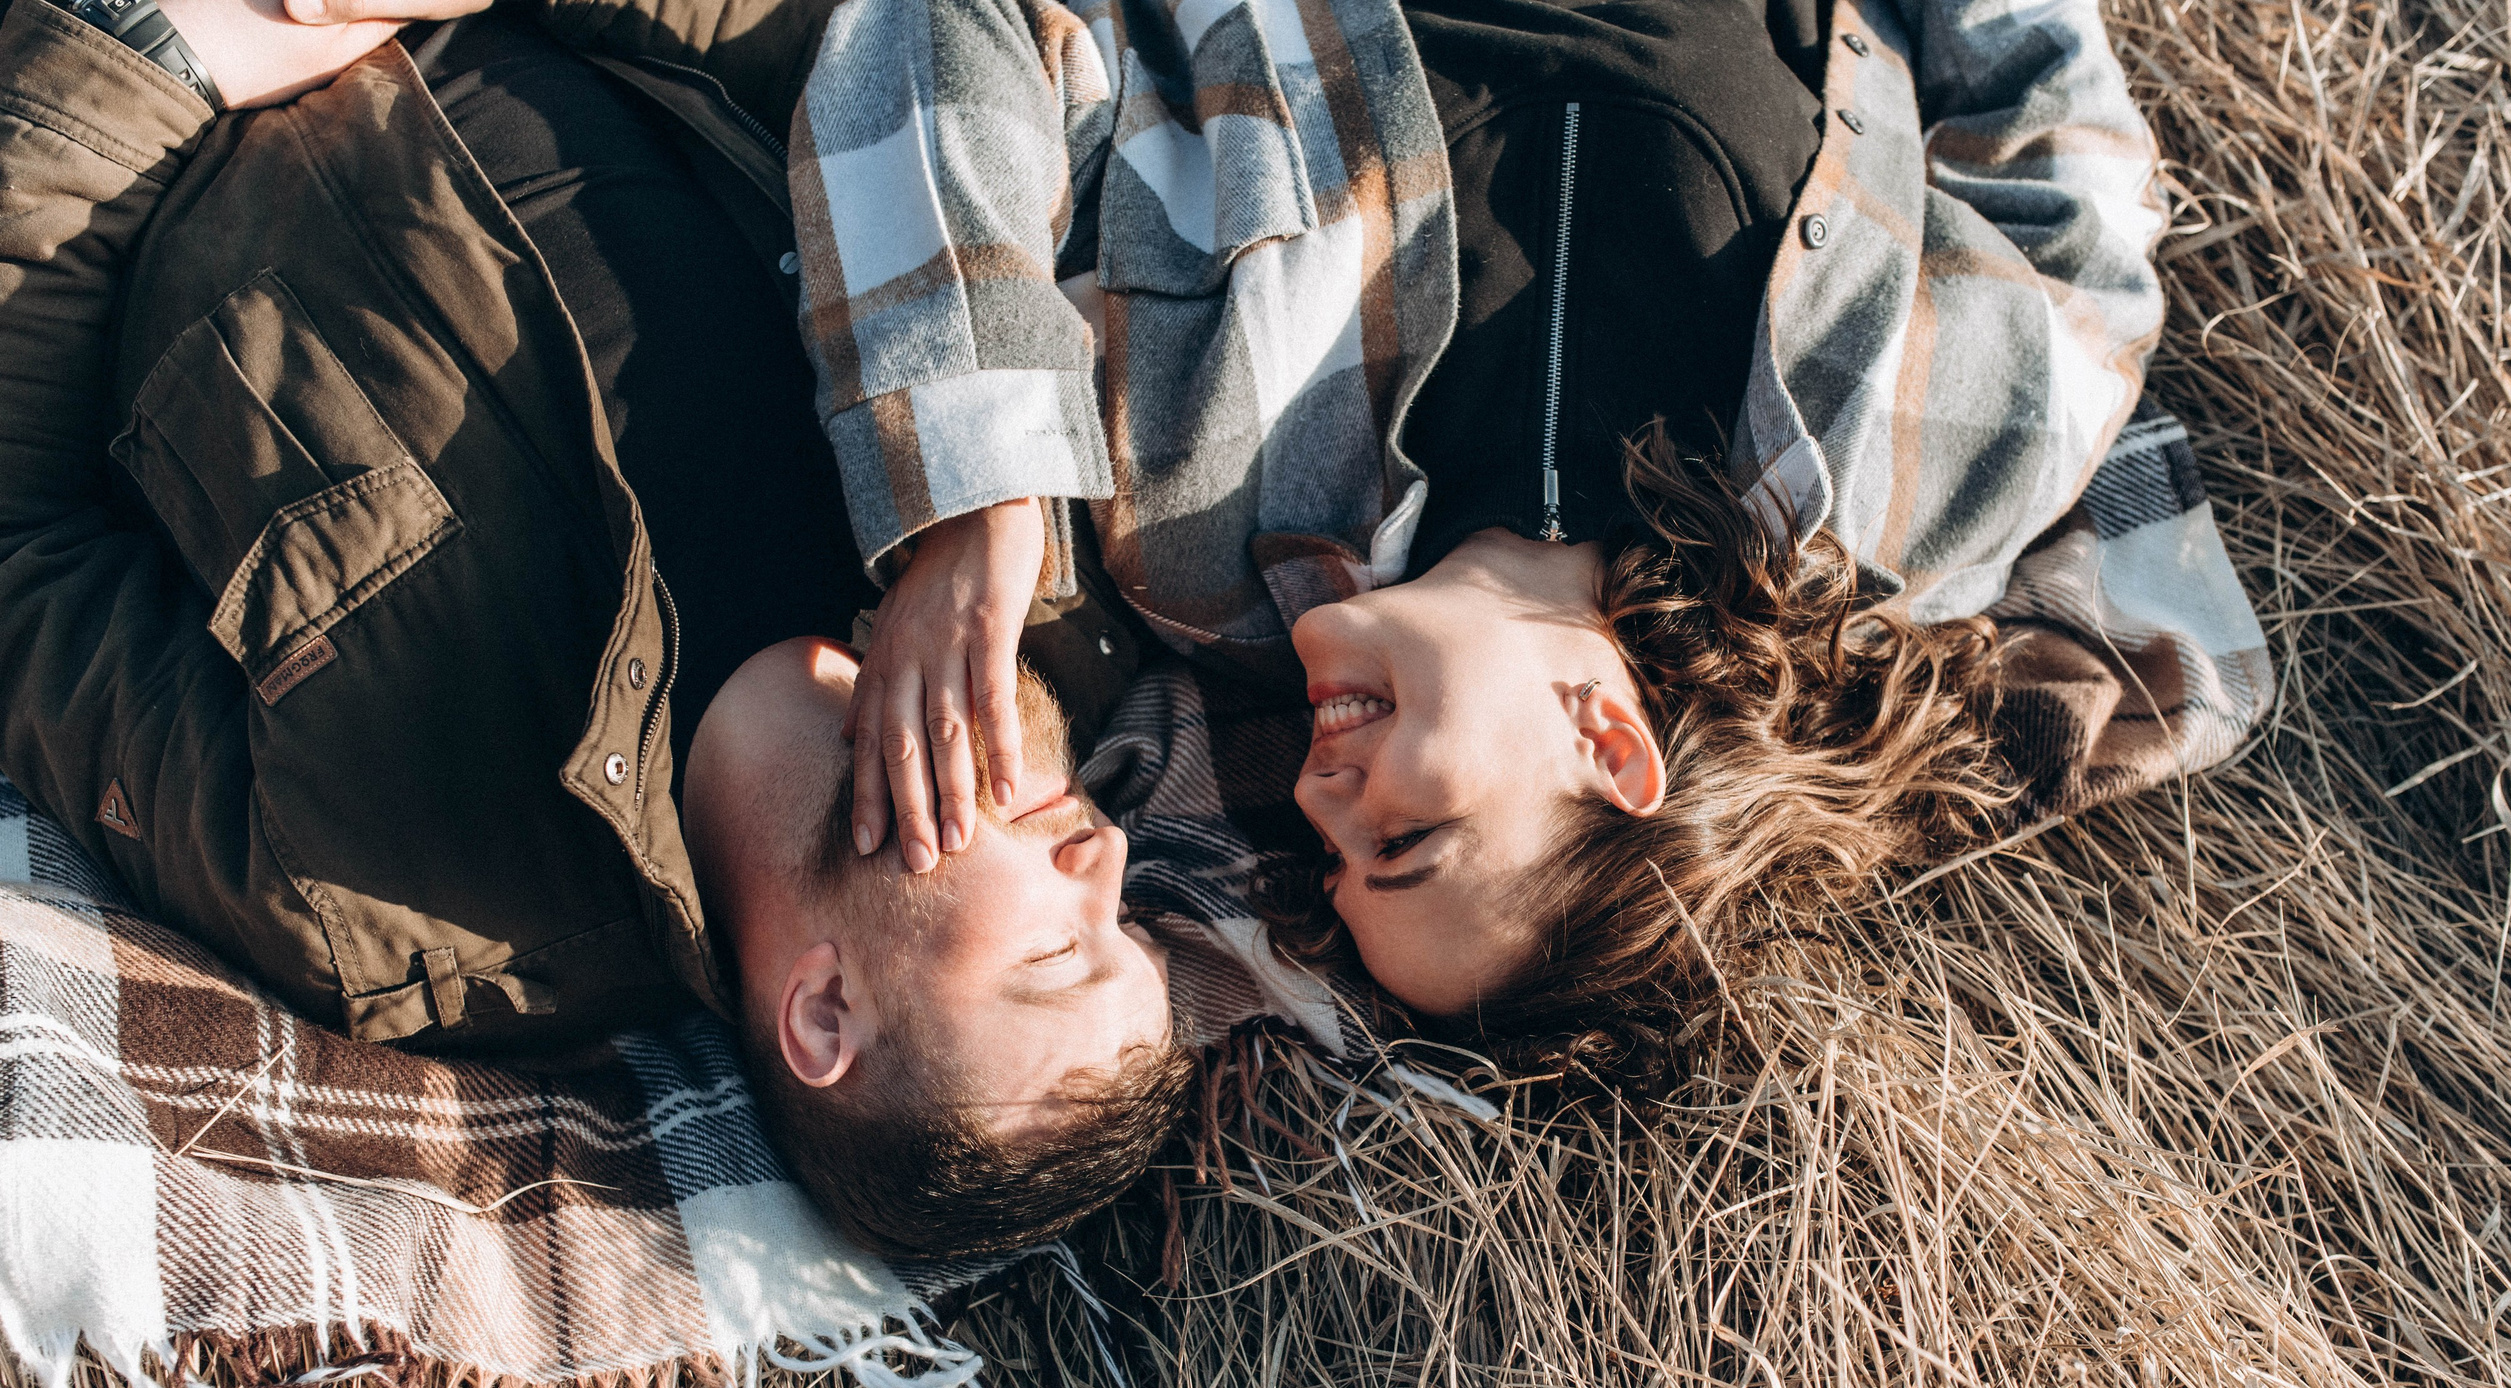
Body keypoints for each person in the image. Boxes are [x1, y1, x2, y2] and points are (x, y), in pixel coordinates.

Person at [792, 0, 2274, 1083]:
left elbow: (952, 33)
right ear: (1607, 741)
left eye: (1329, 853)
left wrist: (974, 492)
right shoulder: (1909, 484)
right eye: (1406, 840)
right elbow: (2075, 200)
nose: (1320, 789)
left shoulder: (1186, 511)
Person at [0, 0, 1200, 1255]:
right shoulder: (1056, 571)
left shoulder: (371, 884)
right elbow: (909, 38)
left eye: (1064, 953)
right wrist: (979, 475)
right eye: (1132, 924)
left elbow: (18, 540)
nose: (1106, 858)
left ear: (827, 1012)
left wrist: (154, 53)